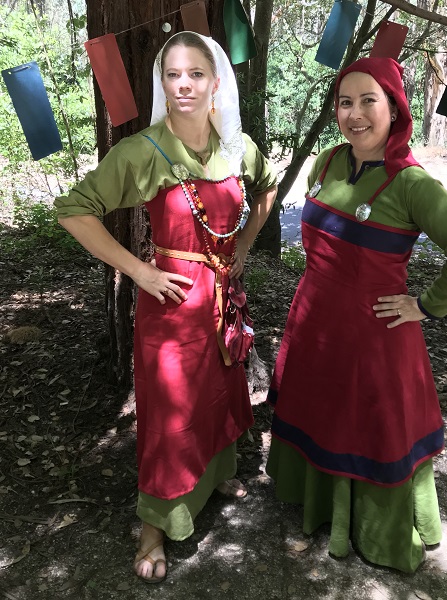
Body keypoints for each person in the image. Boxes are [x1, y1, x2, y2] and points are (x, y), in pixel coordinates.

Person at [55, 31, 277, 583]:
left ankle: (218, 471)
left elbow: (267, 187)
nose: (184, 84)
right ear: (163, 84)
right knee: (169, 417)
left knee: (221, 391)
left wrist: (245, 245)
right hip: (171, 305)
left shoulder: (236, 146)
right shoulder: (142, 151)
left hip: (223, 299)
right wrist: (138, 270)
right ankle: (156, 524)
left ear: (215, 82)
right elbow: (73, 210)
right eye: (173, 74)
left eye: (195, 74)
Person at [266, 57, 447, 573]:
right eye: (346, 102)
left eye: (370, 100)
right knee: (319, 413)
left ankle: (370, 529)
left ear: (395, 107)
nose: (355, 113)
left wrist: (426, 305)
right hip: (314, 323)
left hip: (372, 337)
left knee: (365, 426)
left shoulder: (412, 184)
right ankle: (319, 505)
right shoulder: (328, 162)